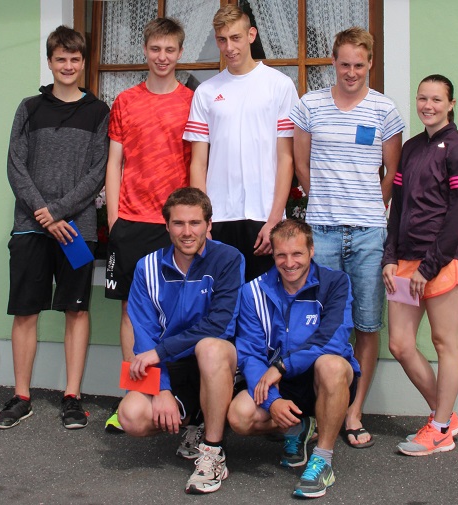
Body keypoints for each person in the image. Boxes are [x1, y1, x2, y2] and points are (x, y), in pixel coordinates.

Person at [290, 27, 405, 448]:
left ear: (370, 63)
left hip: (370, 234)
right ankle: (323, 410)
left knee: (367, 324)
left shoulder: (384, 110)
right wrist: (323, 201)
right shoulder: (310, 105)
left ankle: (354, 410)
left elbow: (391, 173)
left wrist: (370, 208)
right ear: (333, 63)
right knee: (321, 321)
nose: (351, 72)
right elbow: (301, 165)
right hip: (322, 231)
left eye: (359, 64)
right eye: (344, 64)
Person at [0, 26, 109, 430]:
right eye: (61, 59)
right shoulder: (29, 108)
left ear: (83, 63)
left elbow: (98, 172)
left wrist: (58, 212)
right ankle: (21, 396)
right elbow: (15, 165)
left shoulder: (99, 112)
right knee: (26, 310)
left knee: (76, 310)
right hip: (31, 228)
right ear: (50, 62)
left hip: (77, 231)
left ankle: (72, 397)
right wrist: (44, 213)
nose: (68, 65)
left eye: (75, 59)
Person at [117, 187, 244, 494]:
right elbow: (143, 334)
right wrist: (161, 389)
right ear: (167, 226)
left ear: (208, 225)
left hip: (215, 362)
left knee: (210, 348)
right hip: (171, 364)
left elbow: (219, 325)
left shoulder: (228, 258)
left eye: (195, 223)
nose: (187, 232)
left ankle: (213, 451)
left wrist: (160, 352)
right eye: (179, 223)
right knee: (130, 416)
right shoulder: (147, 267)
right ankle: (194, 423)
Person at [104, 18, 194, 431]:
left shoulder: (191, 101)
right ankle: (135, 394)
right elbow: (115, 162)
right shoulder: (125, 101)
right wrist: (114, 220)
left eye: (169, 50)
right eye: (155, 49)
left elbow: (198, 162)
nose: (162, 57)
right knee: (131, 311)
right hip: (131, 222)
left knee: (179, 311)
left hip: (174, 225)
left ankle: (177, 398)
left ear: (180, 53)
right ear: (145, 50)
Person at [382, 74, 458, 456]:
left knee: (444, 342)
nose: (428, 105)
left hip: (444, 259)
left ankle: (438, 429)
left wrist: (430, 265)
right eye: (423, 98)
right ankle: (446, 417)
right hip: (407, 260)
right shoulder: (410, 148)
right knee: (401, 343)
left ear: (451, 104)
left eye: (437, 99)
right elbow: (398, 207)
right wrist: (390, 257)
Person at [228, 219, 360, 499]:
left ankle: (323, 459)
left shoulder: (335, 283)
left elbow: (333, 339)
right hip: (279, 384)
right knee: (239, 417)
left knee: (332, 364)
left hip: (321, 380)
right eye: (281, 255)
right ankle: (298, 427)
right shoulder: (253, 291)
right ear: (273, 254)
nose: (289, 263)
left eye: (297, 253)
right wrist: (272, 401)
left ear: (311, 250)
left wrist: (283, 365)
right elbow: (250, 353)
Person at [183, 4, 299, 282]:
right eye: (222, 40)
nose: (229, 47)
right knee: (220, 302)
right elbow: (198, 163)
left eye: (235, 38)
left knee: (263, 303)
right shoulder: (206, 91)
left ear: (251, 35)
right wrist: (202, 221)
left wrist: (275, 219)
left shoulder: (280, 85)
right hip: (219, 218)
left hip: (265, 217)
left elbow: (286, 159)